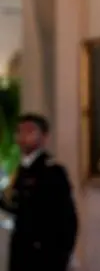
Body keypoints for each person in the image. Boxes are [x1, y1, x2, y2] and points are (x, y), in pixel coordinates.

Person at [0, 113, 78, 271]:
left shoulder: (52, 171)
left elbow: (67, 218)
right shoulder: (21, 171)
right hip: (22, 253)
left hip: (45, 255)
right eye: (20, 131)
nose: (23, 136)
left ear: (44, 137)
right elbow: (17, 209)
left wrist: (62, 255)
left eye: (30, 131)